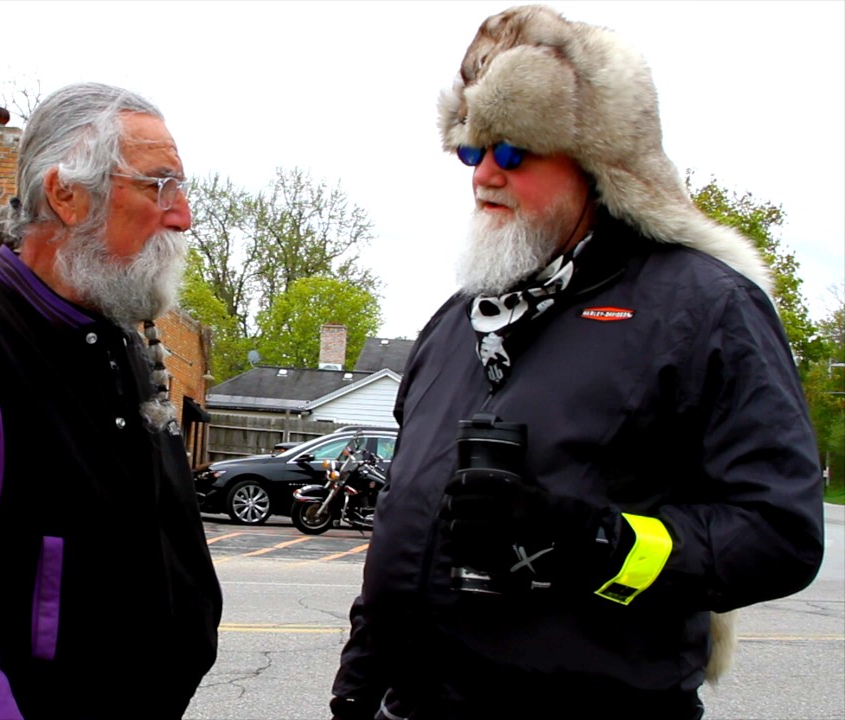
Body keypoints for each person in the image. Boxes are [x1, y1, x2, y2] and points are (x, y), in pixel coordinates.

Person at [330, 6, 825, 719]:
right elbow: (400, 540)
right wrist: (358, 689)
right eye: (473, 151)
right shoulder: (455, 323)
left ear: (597, 164)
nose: (483, 177)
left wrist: (583, 537)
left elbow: (780, 536)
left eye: (512, 152)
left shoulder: (704, 308)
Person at [0, 82, 223, 720]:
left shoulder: (117, 331)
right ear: (66, 194)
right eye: (158, 186)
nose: (182, 215)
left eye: (182, 189)